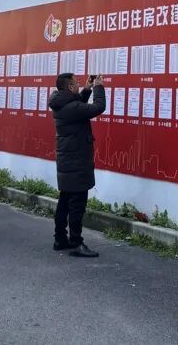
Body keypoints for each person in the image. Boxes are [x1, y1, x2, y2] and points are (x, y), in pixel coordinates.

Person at [49, 73, 106, 258]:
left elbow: (77, 105)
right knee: (77, 205)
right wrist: (98, 87)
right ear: (70, 87)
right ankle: (76, 242)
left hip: (68, 161)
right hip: (76, 161)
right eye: (76, 83)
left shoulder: (62, 103)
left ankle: (60, 239)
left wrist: (87, 90)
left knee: (65, 201)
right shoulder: (71, 107)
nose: (79, 84)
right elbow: (98, 107)